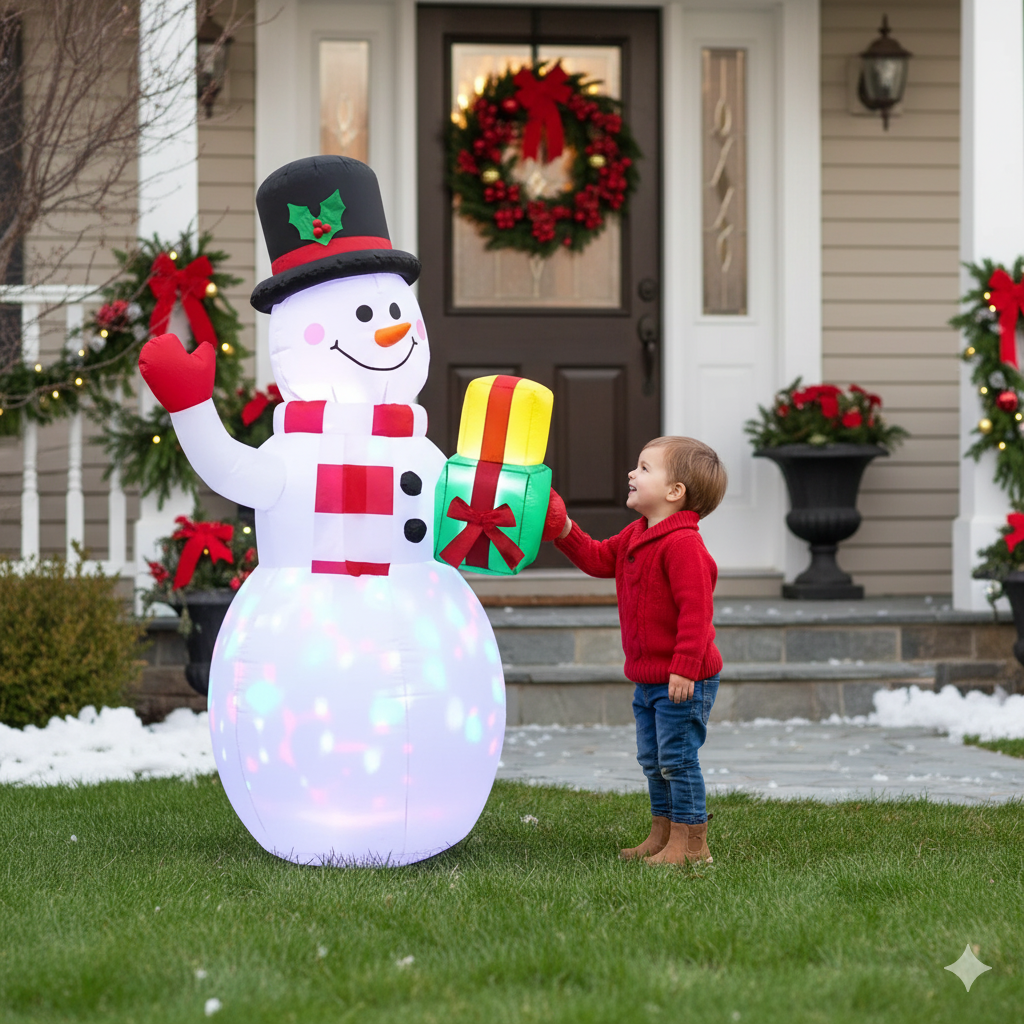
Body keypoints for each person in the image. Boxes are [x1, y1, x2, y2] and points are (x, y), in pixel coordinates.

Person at [544, 437, 727, 864]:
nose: (632, 473)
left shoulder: (683, 545)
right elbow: (597, 559)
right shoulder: (637, 535)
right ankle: (662, 834)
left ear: (674, 492)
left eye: (644, 468)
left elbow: (696, 612)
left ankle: (692, 844)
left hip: (684, 678)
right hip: (649, 679)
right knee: (653, 759)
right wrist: (565, 529)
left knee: (678, 760)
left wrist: (683, 668)